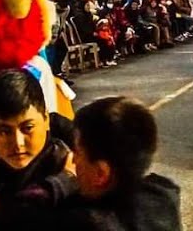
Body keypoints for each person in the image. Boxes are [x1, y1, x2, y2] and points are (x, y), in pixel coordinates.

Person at [34, 97, 182, 231]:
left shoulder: (86, 223)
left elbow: (24, 217)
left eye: (78, 152)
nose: (72, 159)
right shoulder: (163, 197)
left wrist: (60, 182)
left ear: (101, 173)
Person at [0, 69, 73, 231]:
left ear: (46, 120)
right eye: (4, 131)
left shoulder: (71, 161)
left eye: (28, 128)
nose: (17, 143)